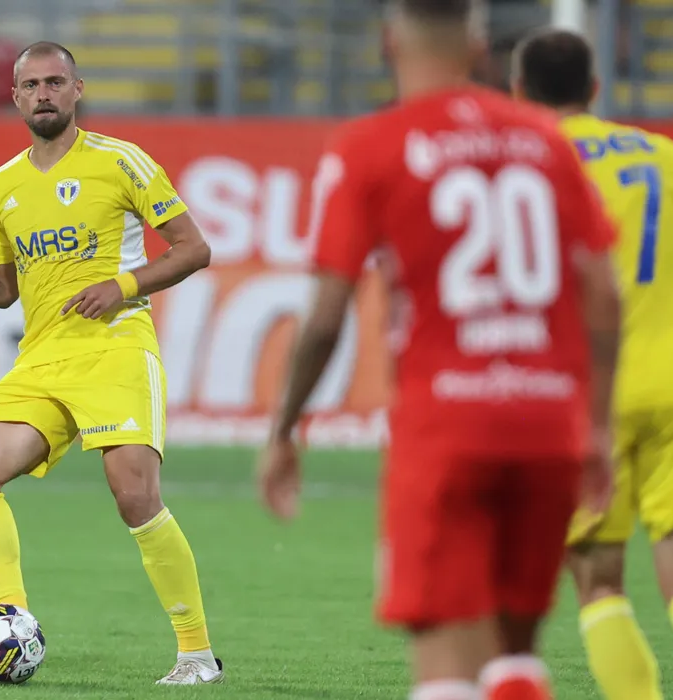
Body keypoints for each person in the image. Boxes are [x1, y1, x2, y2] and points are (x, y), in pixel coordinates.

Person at [256, 2, 623, 699]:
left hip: (446, 427)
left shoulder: (370, 146)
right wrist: (598, 427)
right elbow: (603, 298)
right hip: (548, 423)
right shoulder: (544, 141)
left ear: (389, 42)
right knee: (514, 655)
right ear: (479, 47)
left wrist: (283, 430)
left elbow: (327, 318)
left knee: (445, 660)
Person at [0, 41, 223, 686]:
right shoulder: (1, 186)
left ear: (77, 90)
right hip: (43, 357)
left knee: (135, 496)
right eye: (31, 85)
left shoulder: (121, 161)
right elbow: (1, 288)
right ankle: (10, 624)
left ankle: (197, 656)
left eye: (54, 82)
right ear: (15, 98)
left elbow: (194, 249)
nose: (43, 94)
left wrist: (122, 286)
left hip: (115, 349)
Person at [512, 28, 673, 700]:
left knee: (599, 582)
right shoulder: (659, 153)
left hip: (589, 397)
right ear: (595, 88)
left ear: (519, 91)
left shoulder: (527, 164)